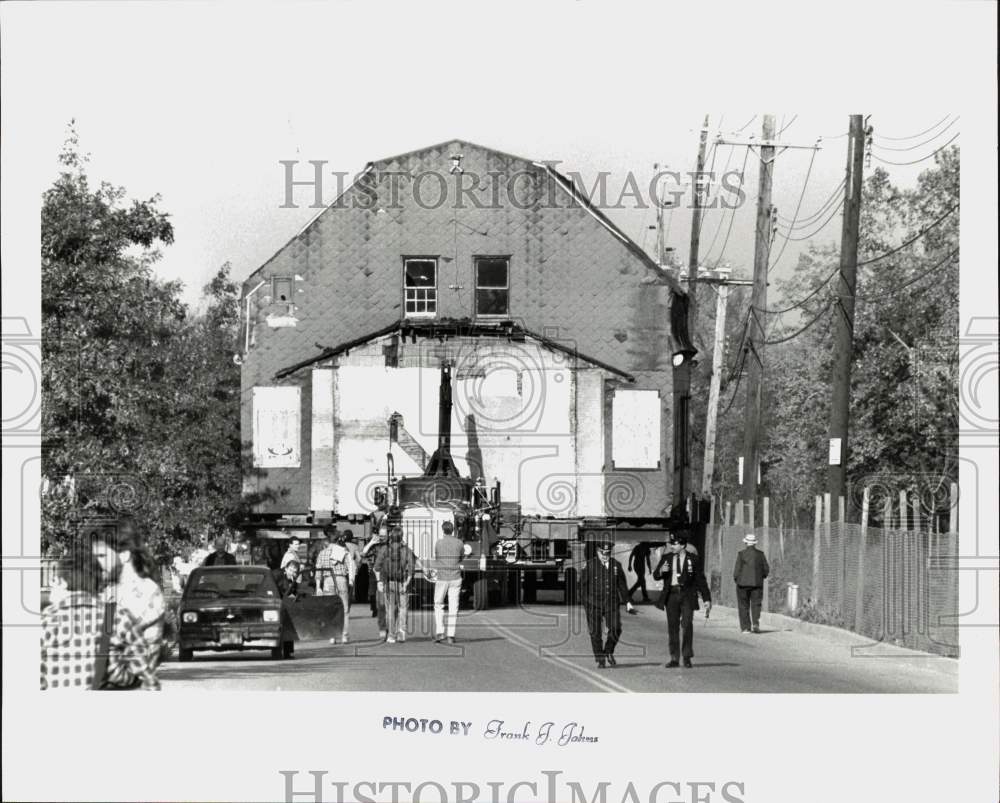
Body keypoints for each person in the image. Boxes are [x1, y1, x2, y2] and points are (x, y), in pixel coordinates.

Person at [41, 545, 160, 690]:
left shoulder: (46, 619)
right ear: (99, 582)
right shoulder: (118, 617)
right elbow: (148, 678)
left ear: (63, 581)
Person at [92, 521, 168, 670]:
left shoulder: (147, 592)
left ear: (124, 555)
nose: (96, 563)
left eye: (102, 556)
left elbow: (105, 642)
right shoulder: (110, 590)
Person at [652, 532, 711, 668]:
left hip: (687, 595)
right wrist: (661, 570)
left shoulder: (693, 559)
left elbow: (700, 580)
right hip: (671, 595)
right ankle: (674, 658)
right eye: (671, 543)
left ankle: (687, 656)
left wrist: (707, 598)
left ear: (683, 545)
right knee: (672, 628)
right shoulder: (666, 558)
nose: (672, 546)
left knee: (687, 625)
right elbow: (655, 575)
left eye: (675, 544)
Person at [579, 539, 635, 668]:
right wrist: (586, 603)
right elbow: (582, 586)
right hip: (594, 604)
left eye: (607, 553)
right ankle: (600, 659)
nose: (605, 555)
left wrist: (627, 602)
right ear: (597, 552)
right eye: (602, 553)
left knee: (616, 628)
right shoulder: (590, 565)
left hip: (611, 603)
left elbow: (622, 585)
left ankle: (608, 651)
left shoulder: (616, 565)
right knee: (595, 633)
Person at [373, 527, 415, 644]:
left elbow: (376, 567)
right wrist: (407, 583)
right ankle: (401, 632)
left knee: (390, 610)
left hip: (388, 583)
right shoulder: (406, 550)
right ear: (401, 537)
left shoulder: (384, 549)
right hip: (402, 583)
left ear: (391, 537)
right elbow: (411, 569)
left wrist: (379, 582)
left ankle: (391, 635)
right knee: (403, 608)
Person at [314, 526, 354, 644]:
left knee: (330, 609)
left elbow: (318, 570)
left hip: (327, 581)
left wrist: (318, 586)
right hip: (341, 580)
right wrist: (351, 580)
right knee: (344, 609)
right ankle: (344, 635)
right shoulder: (343, 551)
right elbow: (350, 566)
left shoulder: (322, 553)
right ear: (337, 541)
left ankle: (332, 636)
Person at [431, 520, 464, 644]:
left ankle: (440, 632)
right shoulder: (459, 543)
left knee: (438, 604)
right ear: (453, 530)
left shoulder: (438, 543)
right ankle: (451, 635)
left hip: (442, 577)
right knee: (453, 607)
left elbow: (437, 557)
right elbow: (461, 557)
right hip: (455, 576)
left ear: (443, 530)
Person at [733, 532, 770, 633]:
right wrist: (761, 577)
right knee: (756, 604)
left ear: (746, 543)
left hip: (742, 584)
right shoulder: (760, 554)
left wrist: (737, 579)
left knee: (743, 605)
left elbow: (736, 571)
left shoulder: (741, 554)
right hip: (757, 584)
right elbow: (766, 569)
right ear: (754, 543)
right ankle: (756, 623)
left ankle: (745, 627)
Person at [362, 525, 389, 639]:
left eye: (384, 536)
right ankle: (383, 628)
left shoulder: (391, 545)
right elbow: (363, 554)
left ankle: (392, 628)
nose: (382, 538)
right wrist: (371, 542)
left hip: (390, 575)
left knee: (393, 605)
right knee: (381, 605)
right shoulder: (375, 546)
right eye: (380, 536)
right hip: (378, 576)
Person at [342, 530, 362, 607]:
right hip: (351, 571)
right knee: (350, 590)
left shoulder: (340, 545)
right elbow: (359, 559)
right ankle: (347, 607)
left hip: (341, 571)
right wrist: (357, 568)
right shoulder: (354, 546)